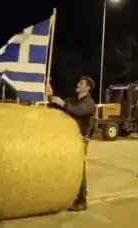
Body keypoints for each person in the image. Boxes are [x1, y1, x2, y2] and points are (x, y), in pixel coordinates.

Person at [46, 76, 96, 211]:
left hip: (81, 139)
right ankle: (71, 195)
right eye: (78, 82)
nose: (78, 84)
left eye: (81, 83)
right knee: (69, 167)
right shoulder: (74, 99)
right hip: (70, 138)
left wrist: (62, 103)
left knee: (79, 169)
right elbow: (61, 106)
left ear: (87, 88)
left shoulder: (89, 103)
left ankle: (82, 199)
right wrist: (51, 96)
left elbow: (76, 110)